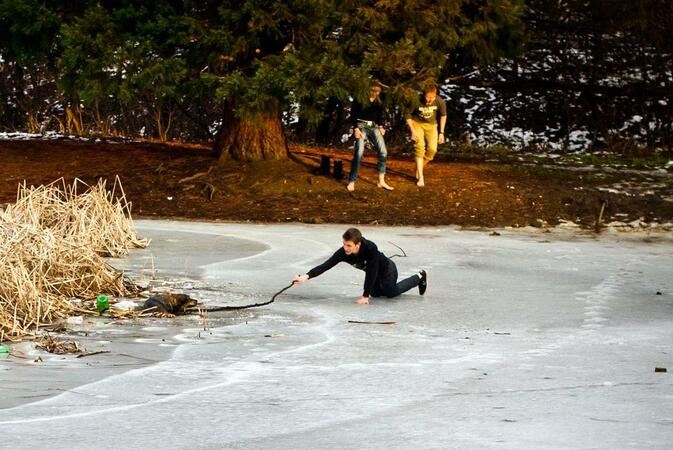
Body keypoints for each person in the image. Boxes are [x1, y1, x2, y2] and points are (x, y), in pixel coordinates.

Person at [291, 228, 427, 305]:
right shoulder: (343, 253)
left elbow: (372, 272)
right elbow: (326, 265)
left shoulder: (371, 249)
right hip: (374, 273)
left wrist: (365, 296)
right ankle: (380, 289)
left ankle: (419, 277)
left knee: (391, 293)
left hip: (387, 270)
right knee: (377, 295)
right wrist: (306, 276)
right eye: (344, 244)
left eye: (349, 245)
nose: (345, 248)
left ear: (358, 244)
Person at [347, 84, 393, 192]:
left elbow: (380, 115)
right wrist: (356, 128)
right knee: (359, 152)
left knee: (383, 152)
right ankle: (352, 181)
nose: (376, 94)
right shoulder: (360, 99)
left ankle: (381, 181)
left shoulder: (379, 101)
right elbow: (353, 114)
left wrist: (381, 126)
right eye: (374, 91)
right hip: (361, 125)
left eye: (378, 92)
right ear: (369, 90)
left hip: (373, 126)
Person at [405, 83, 447, 187]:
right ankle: (421, 176)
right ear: (424, 95)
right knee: (419, 147)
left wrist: (441, 132)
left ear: (435, 95)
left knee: (432, 149)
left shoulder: (439, 101)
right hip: (417, 124)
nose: (430, 100)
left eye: (432, 97)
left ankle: (420, 167)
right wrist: (412, 131)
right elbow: (407, 115)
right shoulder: (416, 100)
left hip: (432, 126)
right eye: (428, 97)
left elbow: (443, 115)